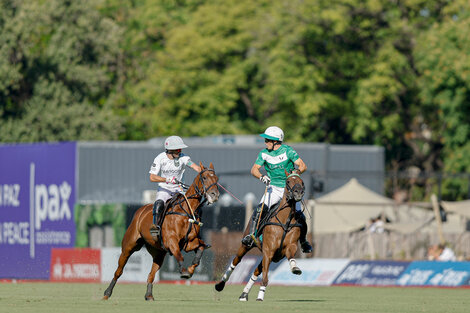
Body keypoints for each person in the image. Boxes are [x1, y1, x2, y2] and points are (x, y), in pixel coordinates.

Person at [241, 126, 313, 253]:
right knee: (260, 210)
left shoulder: (288, 151)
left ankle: (303, 241)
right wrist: (262, 177)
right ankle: (251, 235)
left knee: (300, 215)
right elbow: (254, 170)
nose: (265, 142)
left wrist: (295, 173)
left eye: (268, 140)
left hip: (288, 190)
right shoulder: (263, 153)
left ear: (276, 141)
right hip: (273, 188)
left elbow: (303, 165)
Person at [148, 136, 201, 240]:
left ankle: (195, 233)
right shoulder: (160, 158)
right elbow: (152, 177)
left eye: (180, 149)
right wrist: (166, 179)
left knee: (194, 206)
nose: (180, 151)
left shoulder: (183, 157)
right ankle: (156, 228)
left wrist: (204, 172)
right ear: (170, 150)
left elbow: (195, 166)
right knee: (158, 204)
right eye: (178, 149)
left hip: (179, 190)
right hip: (165, 189)